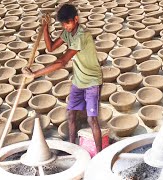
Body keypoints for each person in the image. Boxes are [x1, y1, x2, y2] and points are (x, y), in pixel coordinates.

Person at [22, 4, 103, 153]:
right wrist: (45, 27)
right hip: (78, 80)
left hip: (92, 81)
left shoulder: (81, 35)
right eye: (63, 24)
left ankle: (99, 155)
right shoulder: (68, 33)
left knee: (92, 119)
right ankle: (72, 148)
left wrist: (34, 74)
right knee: (71, 114)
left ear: (76, 19)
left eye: (68, 23)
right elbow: (51, 47)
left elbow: (62, 62)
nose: (65, 26)